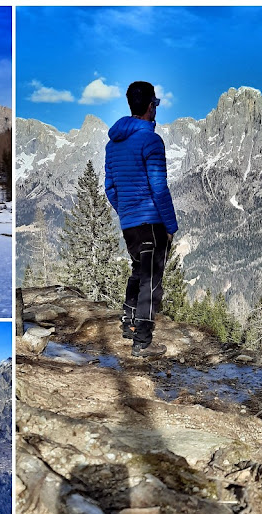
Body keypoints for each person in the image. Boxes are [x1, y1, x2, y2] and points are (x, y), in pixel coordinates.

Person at [105, 81, 178, 357]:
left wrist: (125, 211)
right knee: (151, 280)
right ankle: (143, 342)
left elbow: (110, 188)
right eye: (155, 104)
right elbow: (159, 188)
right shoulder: (151, 141)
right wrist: (170, 226)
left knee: (138, 270)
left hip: (130, 225)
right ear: (150, 107)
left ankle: (128, 322)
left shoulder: (112, 144)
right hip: (152, 222)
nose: (155, 109)